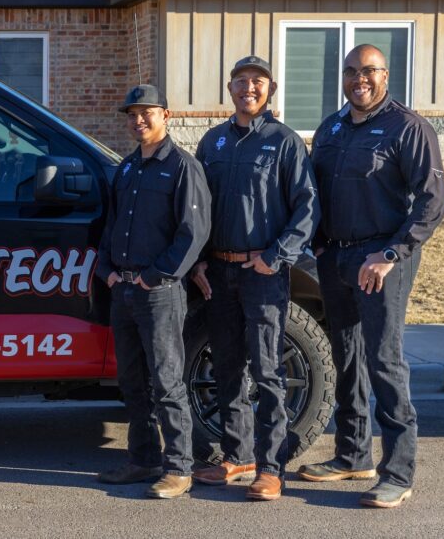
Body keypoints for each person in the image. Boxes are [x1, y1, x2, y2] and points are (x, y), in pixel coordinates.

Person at [299, 44, 444, 508]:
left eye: (368, 71)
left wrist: (389, 253)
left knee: (384, 361)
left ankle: (397, 473)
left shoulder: (408, 128)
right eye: (350, 71)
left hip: (382, 260)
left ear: (385, 75)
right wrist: (320, 244)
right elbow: (315, 192)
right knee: (347, 357)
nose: (358, 79)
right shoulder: (331, 128)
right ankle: (351, 454)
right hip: (337, 259)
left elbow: (432, 203)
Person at [190, 56, 319, 501]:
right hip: (219, 271)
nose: (249, 88)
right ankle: (237, 455)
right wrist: (200, 261)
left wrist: (276, 256)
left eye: (258, 82)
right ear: (230, 89)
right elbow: (198, 208)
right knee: (227, 366)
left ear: (271, 90)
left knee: (267, 371)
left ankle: (270, 467)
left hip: (263, 274)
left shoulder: (284, 143)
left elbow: (307, 209)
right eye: (242, 81)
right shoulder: (212, 143)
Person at [95, 84, 211, 499]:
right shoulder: (127, 168)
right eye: (132, 114)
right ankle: (143, 460)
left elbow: (193, 233)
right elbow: (111, 227)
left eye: (146, 112)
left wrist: (156, 276)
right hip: (122, 291)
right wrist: (105, 270)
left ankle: (179, 468)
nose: (138, 120)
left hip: (158, 292)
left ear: (166, 114)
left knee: (166, 381)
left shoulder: (182, 167)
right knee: (132, 381)